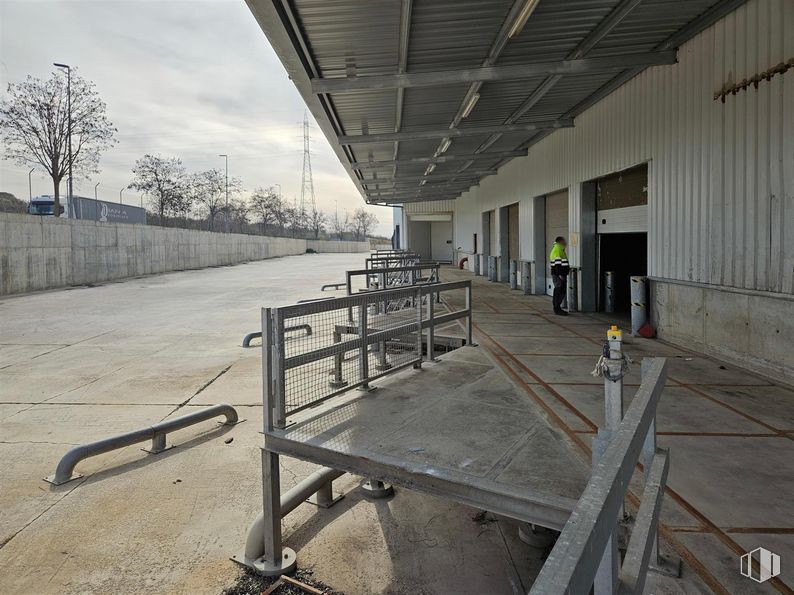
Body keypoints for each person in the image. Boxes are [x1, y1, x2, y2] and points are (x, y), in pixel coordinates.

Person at [549, 236, 570, 316]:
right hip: (558, 275)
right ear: (560, 242)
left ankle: (557, 308)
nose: (565, 243)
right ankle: (557, 308)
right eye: (564, 241)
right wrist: (560, 274)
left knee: (560, 291)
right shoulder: (557, 250)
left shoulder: (559, 249)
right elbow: (557, 264)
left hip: (559, 274)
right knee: (559, 291)